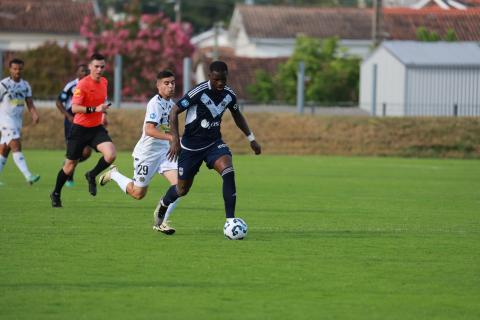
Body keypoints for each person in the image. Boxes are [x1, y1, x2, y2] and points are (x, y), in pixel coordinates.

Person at [152, 60, 261, 231]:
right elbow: (174, 111)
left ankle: (230, 220)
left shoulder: (229, 95)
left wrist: (251, 138)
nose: (220, 84)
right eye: (217, 80)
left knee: (228, 171)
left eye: (224, 80)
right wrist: (174, 139)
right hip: (190, 148)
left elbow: (237, 115)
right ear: (210, 76)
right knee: (182, 190)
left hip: (214, 144)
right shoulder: (198, 92)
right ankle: (164, 203)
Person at [98, 70, 179, 235]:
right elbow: (149, 130)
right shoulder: (154, 104)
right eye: (166, 83)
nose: (171, 86)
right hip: (147, 155)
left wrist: (175, 141)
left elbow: (169, 129)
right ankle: (114, 174)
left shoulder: (172, 105)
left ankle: (160, 221)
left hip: (164, 153)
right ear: (158, 86)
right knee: (138, 193)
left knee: (180, 186)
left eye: (172, 82)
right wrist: (171, 137)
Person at [50, 53, 115, 207]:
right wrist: (95, 109)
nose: (99, 69)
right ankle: (56, 193)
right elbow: (74, 107)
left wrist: (103, 113)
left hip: (96, 128)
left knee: (111, 154)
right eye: (96, 66)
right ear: (90, 67)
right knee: (70, 165)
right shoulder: (83, 85)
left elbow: (102, 101)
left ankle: (91, 175)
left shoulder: (104, 82)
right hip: (79, 129)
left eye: (102, 67)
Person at [0, 58, 40, 186]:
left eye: (20, 69)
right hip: (5, 120)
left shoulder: (25, 85)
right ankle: (28, 176)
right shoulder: (3, 84)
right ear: (10, 69)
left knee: (4, 150)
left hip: (17, 121)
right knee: (16, 145)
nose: (17, 71)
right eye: (15, 69)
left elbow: (29, 102)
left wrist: (34, 113)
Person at [55, 64, 92, 187]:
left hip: (86, 121)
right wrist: (68, 116)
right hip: (72, 122)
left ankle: (67, 163)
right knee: (73, 149)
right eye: (83, 71)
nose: (86, 72)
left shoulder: (92, 84)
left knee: (86, 152)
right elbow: (59, 102)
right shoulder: (71, 86)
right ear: (77, 73)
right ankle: (69, 178)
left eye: (87, 70)